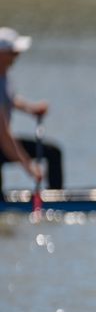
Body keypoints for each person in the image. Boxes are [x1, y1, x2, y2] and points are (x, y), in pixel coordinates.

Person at [0, 27, 62, 199]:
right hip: (1, 141)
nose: (17, 56)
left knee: (53, 152)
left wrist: (31, 109)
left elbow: (10, 100)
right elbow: (3, 135)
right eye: (13, 52)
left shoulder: (3, 75)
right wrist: (28, 166)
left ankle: (55, 198)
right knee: (51, 153)